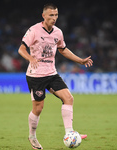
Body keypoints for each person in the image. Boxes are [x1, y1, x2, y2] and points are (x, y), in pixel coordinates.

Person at [18, 3, 93, 149]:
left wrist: (80, 60)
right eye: (51, 15)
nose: (54, 18)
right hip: (36, 76)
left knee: (68, 98)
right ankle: (32, 136)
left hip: (52, 74)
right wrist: (30, 58)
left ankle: (69, 133)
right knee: (38, 108)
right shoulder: (33, 30)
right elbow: (21, 49)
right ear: (43, 15)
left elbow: (63, 50)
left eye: (56, 15)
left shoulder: (58, 32)